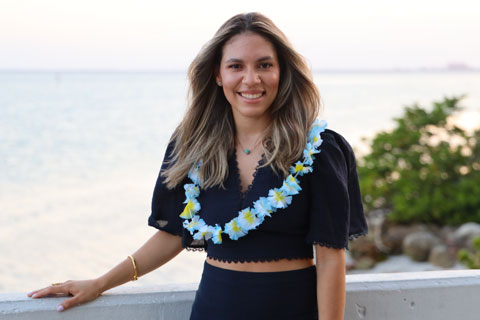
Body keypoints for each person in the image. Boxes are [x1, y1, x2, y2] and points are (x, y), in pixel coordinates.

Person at [27, 12, 368, 320]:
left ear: (282, 72)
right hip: (214, 308)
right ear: (218, 75)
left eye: (265, 65)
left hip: (291, 308)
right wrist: (100, 283)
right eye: (236, 66)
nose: (251, 79)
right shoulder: (193, 146)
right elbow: (173, 235)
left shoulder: (319, 149)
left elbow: (330, 258)